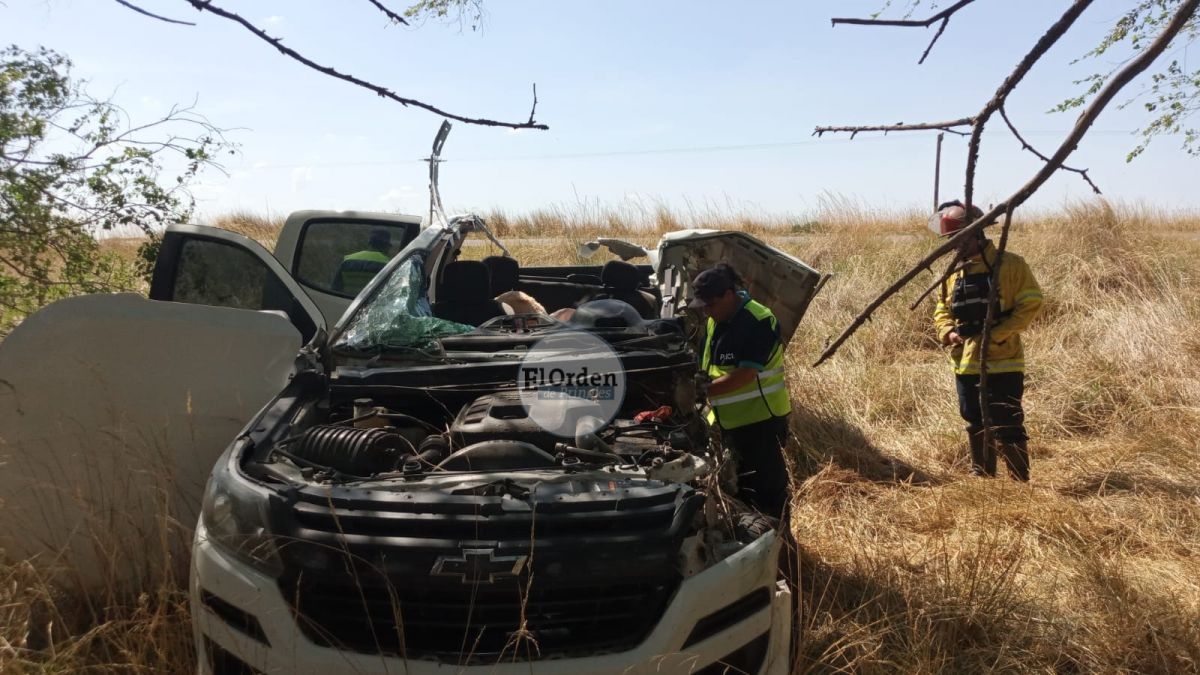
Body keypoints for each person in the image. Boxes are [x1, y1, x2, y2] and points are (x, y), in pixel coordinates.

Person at [931, 200, 1044, 481]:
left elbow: (1031, 303)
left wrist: (997, 335)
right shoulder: (953, 272)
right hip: (965, 361)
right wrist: (948, 332)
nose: (955, 246)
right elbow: (942, 308)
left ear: (977, 233)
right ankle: (982, 476)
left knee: (1008, 420)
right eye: (951, 240)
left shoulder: (1011, 265)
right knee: (973, 418)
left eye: (959, 239)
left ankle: (1019, 481)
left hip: (1004, 360)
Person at [689, 263, 791, 518]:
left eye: (710, 305)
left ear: (728, 294)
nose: (707, 312)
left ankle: (781, 540)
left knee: (768, 494)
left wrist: (701, 392)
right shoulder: (715, 320)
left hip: (760, 423)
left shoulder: (758, 320)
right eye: (703, 307)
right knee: (741, 491)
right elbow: (709, 366)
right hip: (729, 423)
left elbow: (746, 374)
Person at [332, 228, 392, 295]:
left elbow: (335, 288)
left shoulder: (347, 260)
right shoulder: (389, 264)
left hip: (346, 300)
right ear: (387, 246)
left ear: (369, 243)